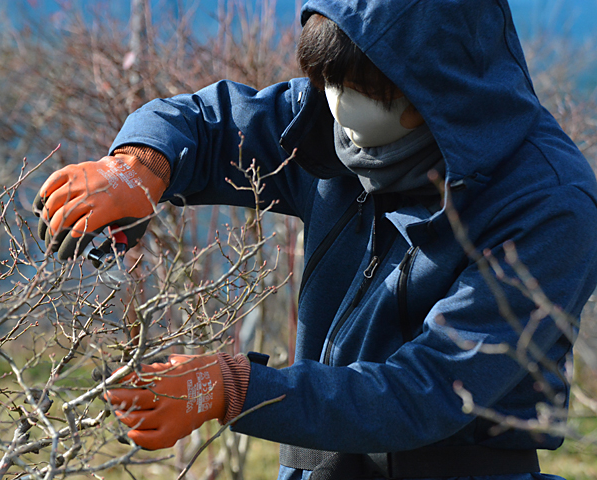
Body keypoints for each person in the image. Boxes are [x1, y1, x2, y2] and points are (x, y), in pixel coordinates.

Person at [32, 1, 597, 479]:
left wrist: (233, 388)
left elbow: (429, 389)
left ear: (431, 90)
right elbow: (211, 124)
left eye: (357, 89)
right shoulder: (336, 132)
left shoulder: (549, 205)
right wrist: (140, 166)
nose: (335, 103)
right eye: (327, 81)